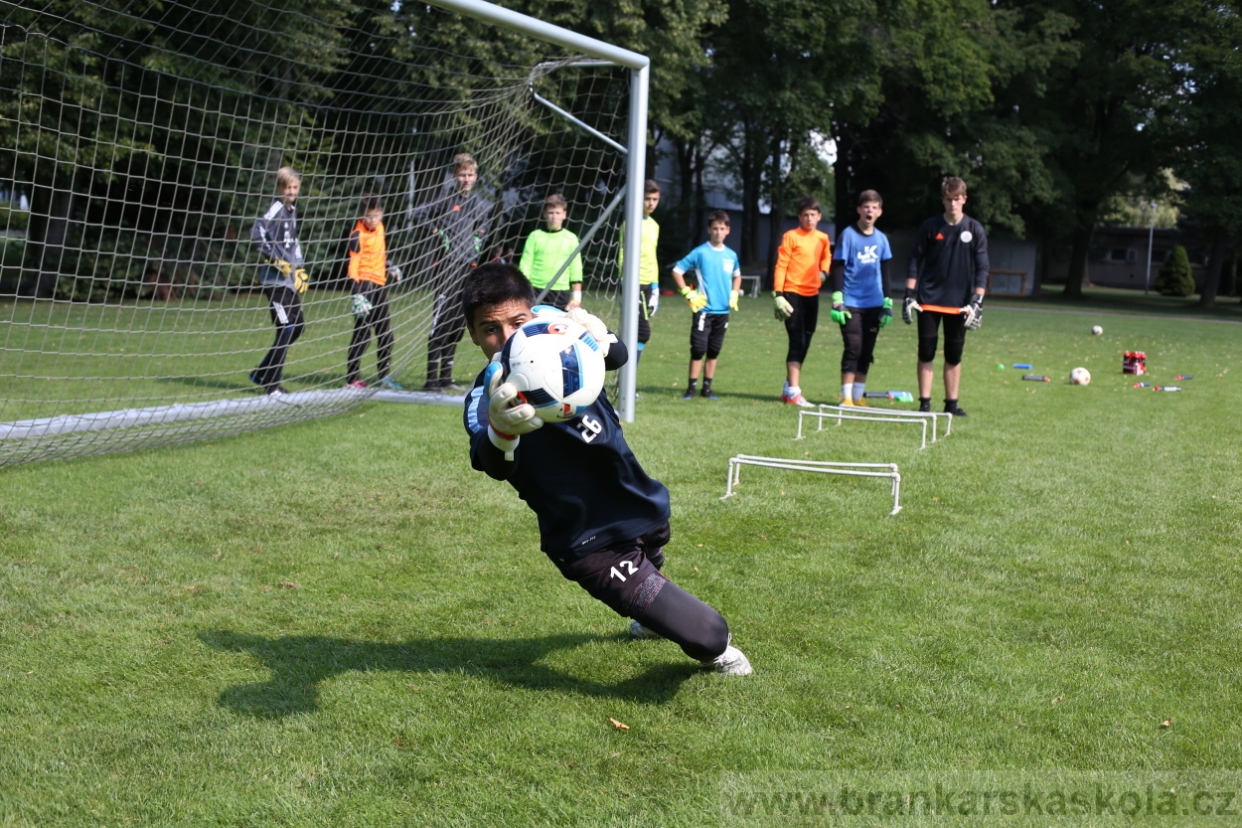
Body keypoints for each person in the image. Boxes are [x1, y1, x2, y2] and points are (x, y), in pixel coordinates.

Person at [461, 263, 752, 676]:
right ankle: (680, 625)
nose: (507, 339)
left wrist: (598, 332)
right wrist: (502, 431)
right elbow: (490, 462)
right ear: (473, 335)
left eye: (517, 322)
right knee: (710, 635)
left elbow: (615, 356)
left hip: (638, 499)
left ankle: (651, 604)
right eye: (490, 329)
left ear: (533, 312)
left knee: (655, 543)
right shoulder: (485, 398)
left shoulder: (557, 339)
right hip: (589, 542)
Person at [904, 176, 988, 416]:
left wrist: (977, 301)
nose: (953, 204)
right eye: (949, 199)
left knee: (954, 354)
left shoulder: (974, 229)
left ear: (964, 199)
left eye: (957, 199)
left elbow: (982, 268)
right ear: (943, 200)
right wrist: (909, 294)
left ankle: (951, 405)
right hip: (928, 301)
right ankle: (925, 404)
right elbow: (914, 260)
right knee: (927, 352)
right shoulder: (930, 227)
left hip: (960, 304)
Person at [416, 152, 491, 391]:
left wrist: (480, 236)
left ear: (475, 177)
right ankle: (431, 380)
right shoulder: (445, 199)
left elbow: (484, 225)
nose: (466, 179)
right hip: (447, 269)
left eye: (470, 175)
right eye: (462, 175)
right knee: (441, 321)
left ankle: (446, 377)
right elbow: (419, 213)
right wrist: (437, 232)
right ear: (454, 176)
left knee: (460, 322)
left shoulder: (477, 203)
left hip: (468, 268)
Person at [829, 190, 894, 406]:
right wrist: (837, 298)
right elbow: (837, 266)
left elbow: (885, 272)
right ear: (859, 209)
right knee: (853, 347)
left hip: (874, 303)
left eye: (874, 207)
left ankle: (858, 397)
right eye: (866, 206)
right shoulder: (848, 235)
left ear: (880, 212)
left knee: (866, 351)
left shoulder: (882, 239)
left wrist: (888, 301)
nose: (870, 210)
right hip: (851, 302)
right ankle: (846, 396)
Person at [249, 166, 308, 396]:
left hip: (289, 280)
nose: (292, 192)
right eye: (288, 188)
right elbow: (256, 231)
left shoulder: (292, 210)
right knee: (286, 327)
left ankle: (261, 372)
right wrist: (272, 259)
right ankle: (272, 385)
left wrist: (300, 268)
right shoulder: (275, 208)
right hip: (274, 282)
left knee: (298, 327)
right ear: (280, 188)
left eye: (295, 188)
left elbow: (294, 242)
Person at [670, 210, 741, 401]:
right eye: (715, 228)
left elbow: (737, 275)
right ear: (709, 230)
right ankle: (691, 388)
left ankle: (707, 389)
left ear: (728, 230)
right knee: (698, 349)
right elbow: (677, 271)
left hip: (723, 311)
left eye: (722, 228)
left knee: (714, 350)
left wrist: (734, 292)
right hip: (703, 310)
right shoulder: (700, 252)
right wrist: (687, 292)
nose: (718, 232)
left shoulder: (731, 255)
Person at [772, 196, 833, 407]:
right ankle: (795, 393)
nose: (809, 218)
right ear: (799, 217)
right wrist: (778, 294)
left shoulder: (823, 238)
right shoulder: (790, 236)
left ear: (819, 216)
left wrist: (824, 272)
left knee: (806, 340)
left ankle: (788, 388)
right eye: (805, 215)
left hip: (812, 294)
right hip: (791, 293)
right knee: (796, 341)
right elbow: (781, 264)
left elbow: (827, 256)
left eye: (813, 215)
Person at [344, 194, 403, 390]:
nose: (373, 220)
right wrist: (356, 294)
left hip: (379, 285)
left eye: (376, 216)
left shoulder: (381, 228)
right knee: (362, 335)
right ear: (362, 216)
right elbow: (354, 264)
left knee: (387, 335)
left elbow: (380, 254)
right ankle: (351, 379)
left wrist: (389, 265)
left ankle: (384, 376)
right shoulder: (357, 235)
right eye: (369, 217)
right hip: (364, 286)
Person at [617, 179, 661, 365]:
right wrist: (624, 280)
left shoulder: (654, 225)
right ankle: (626, 381)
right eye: (647, 198)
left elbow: (652, 256)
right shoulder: (630, 223)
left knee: (638, 334)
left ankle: (627, 382)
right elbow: (622, 252)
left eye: (655, 199)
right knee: (641, 332)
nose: (651, 203)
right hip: (632, 284)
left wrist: (656, 286)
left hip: (648, 285)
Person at [518, 194, 583, 309]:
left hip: (560, 291)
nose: (554, 217)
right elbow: (525, 265)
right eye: (551, 213)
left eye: (558, 213)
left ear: (564, 214)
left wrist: (577, 297)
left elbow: (576, 268)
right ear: (544, 214)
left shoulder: (571, 238)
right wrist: (523, 290)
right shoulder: (535, 236)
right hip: (535, 289)